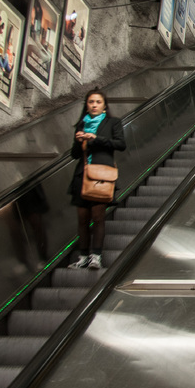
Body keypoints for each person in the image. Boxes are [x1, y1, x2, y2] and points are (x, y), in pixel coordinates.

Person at [68, 89, 125, 269]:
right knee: (82, 219)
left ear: (104, 105)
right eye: (91, 102)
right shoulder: (81, 124)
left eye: (98, 102)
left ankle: (96, 256)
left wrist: (96, 138)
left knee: (98, 217)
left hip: (102, 176)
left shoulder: (113, 122)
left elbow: (120, 144)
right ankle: (83, 256)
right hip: (82, 176)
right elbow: (74, 154)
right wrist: (79, 141)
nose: (94, 105)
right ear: (87, 105)